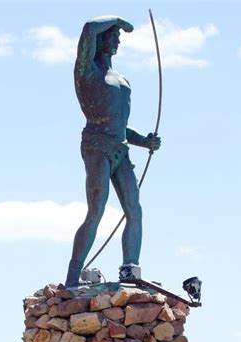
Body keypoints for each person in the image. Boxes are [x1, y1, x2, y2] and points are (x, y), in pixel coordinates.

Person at [64, 16, 161, 288]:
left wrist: (144, 141)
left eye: (118, 35)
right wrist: (118, 20)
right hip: (97, 146)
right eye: (114, 34)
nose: (118, 39)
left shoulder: (122, 79)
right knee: (96, 210)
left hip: (121, 149)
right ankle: (73, 276)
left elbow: (120, 124)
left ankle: (130, 269)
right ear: (102, 38)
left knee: (135, 211)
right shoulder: (87, 72)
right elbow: (87, 29)